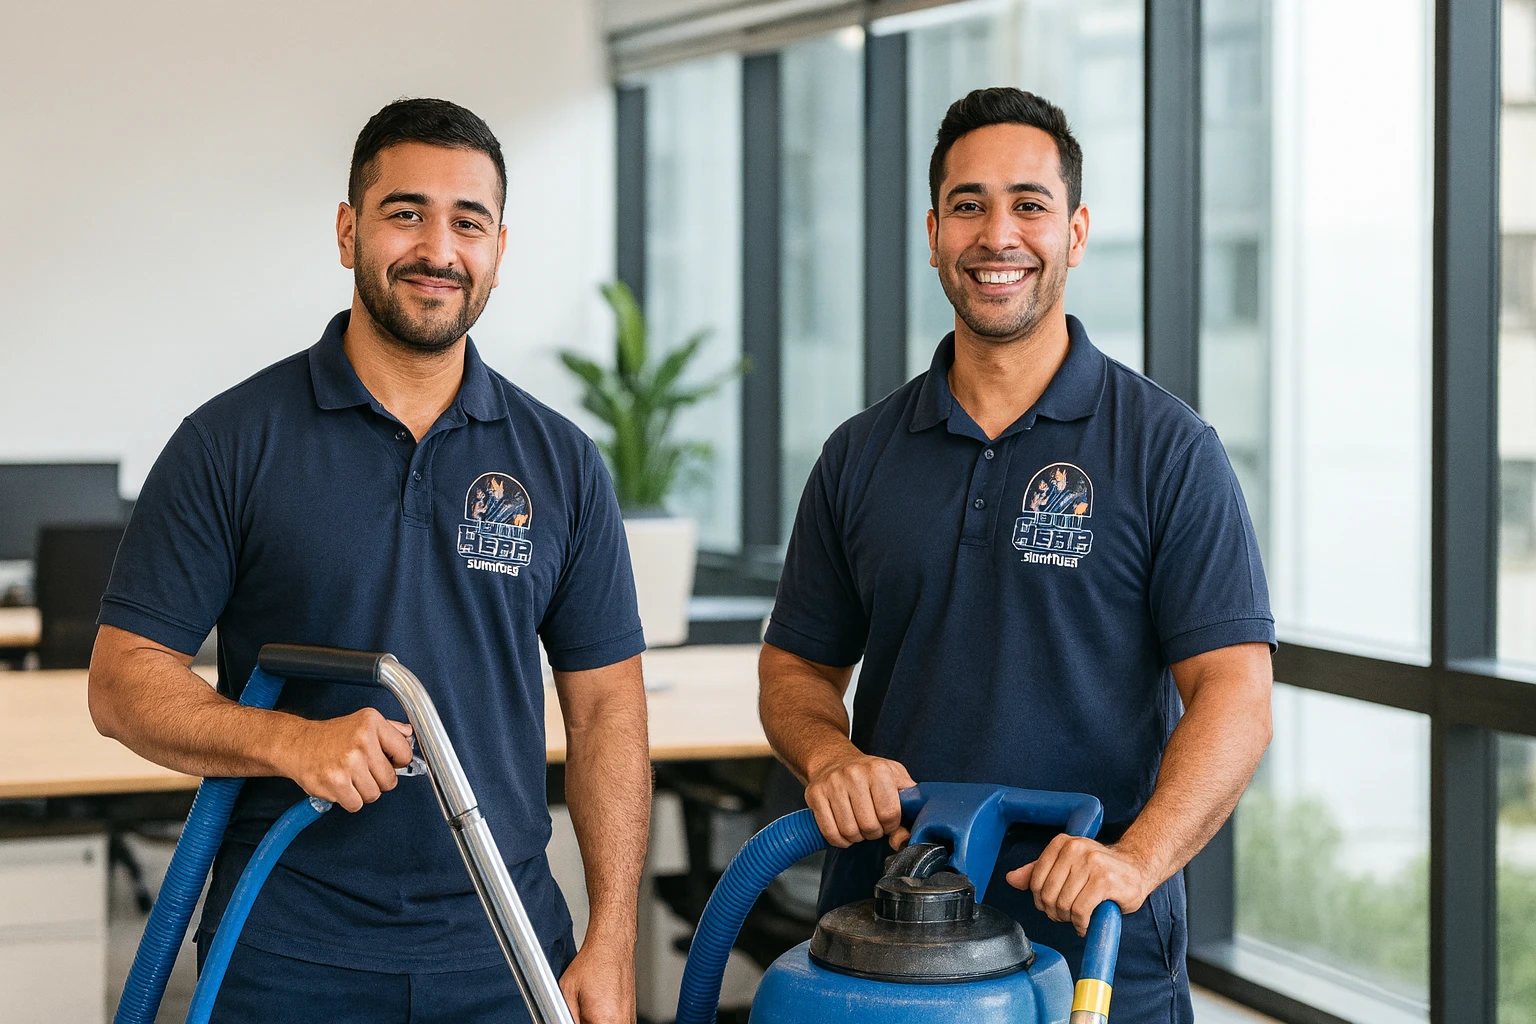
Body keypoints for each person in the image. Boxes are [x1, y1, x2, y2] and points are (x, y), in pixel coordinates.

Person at [88, 98, 648, 1024]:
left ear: (499, 250)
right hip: (285, 951)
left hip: (504, 947)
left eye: (468, 222)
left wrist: (613, 938)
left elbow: (608, 713)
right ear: (349, 231)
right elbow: (123, 682)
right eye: (405, 213)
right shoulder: (230, 443)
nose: (438, 247)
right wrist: (289, 740)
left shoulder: (561, 463)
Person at [758, 87, 1275, 1023]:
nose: (999, 234)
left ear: (1075, 232)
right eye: (970, 204)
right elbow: (796, 664)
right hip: (884, 955)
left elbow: (1235, 692)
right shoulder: (859, 455)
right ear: (932, 232)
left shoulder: (1166, 451)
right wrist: (829, 755)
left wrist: (1138, 858)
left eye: (1030, 205)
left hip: (1093, 954)